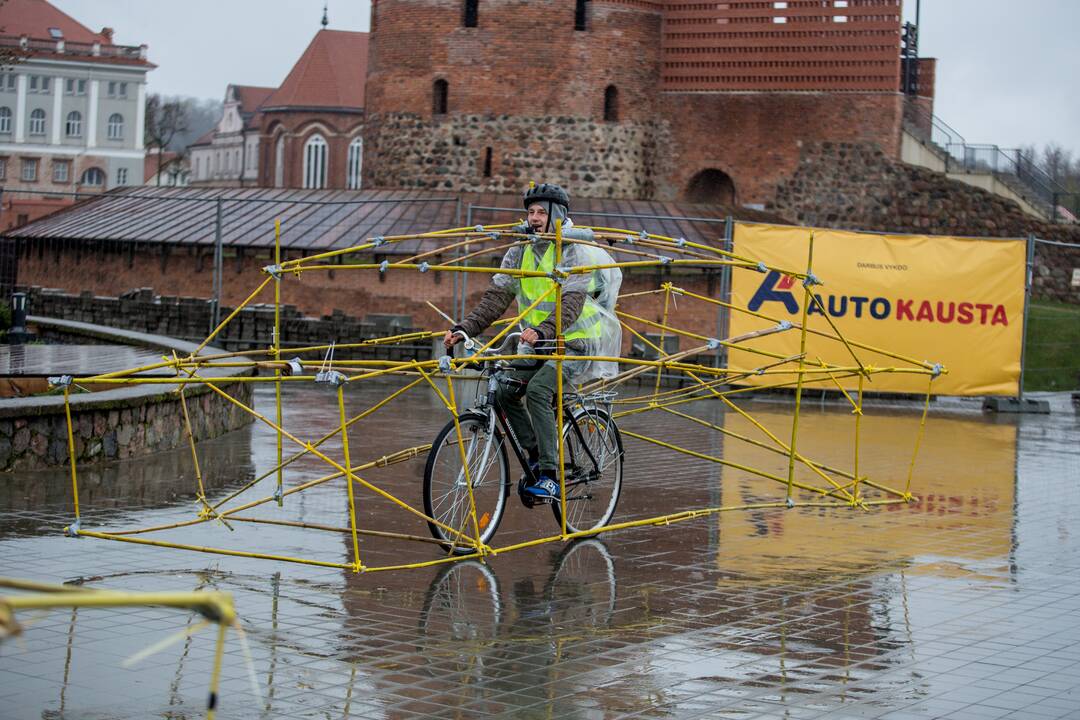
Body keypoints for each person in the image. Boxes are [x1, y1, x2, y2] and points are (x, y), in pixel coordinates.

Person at [444, 183, 608, 504]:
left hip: (575, 345)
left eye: (541, 212)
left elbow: (572, 303)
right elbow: (497, 299)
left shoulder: (572, 250)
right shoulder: (518, 251)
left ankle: (550, 475)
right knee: (504, 390)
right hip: (536, 345)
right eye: (530, 211)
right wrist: (464, 328)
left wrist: (545, 330)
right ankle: (535, 453)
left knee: (538, 391)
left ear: (557, 216)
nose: (533, 218)